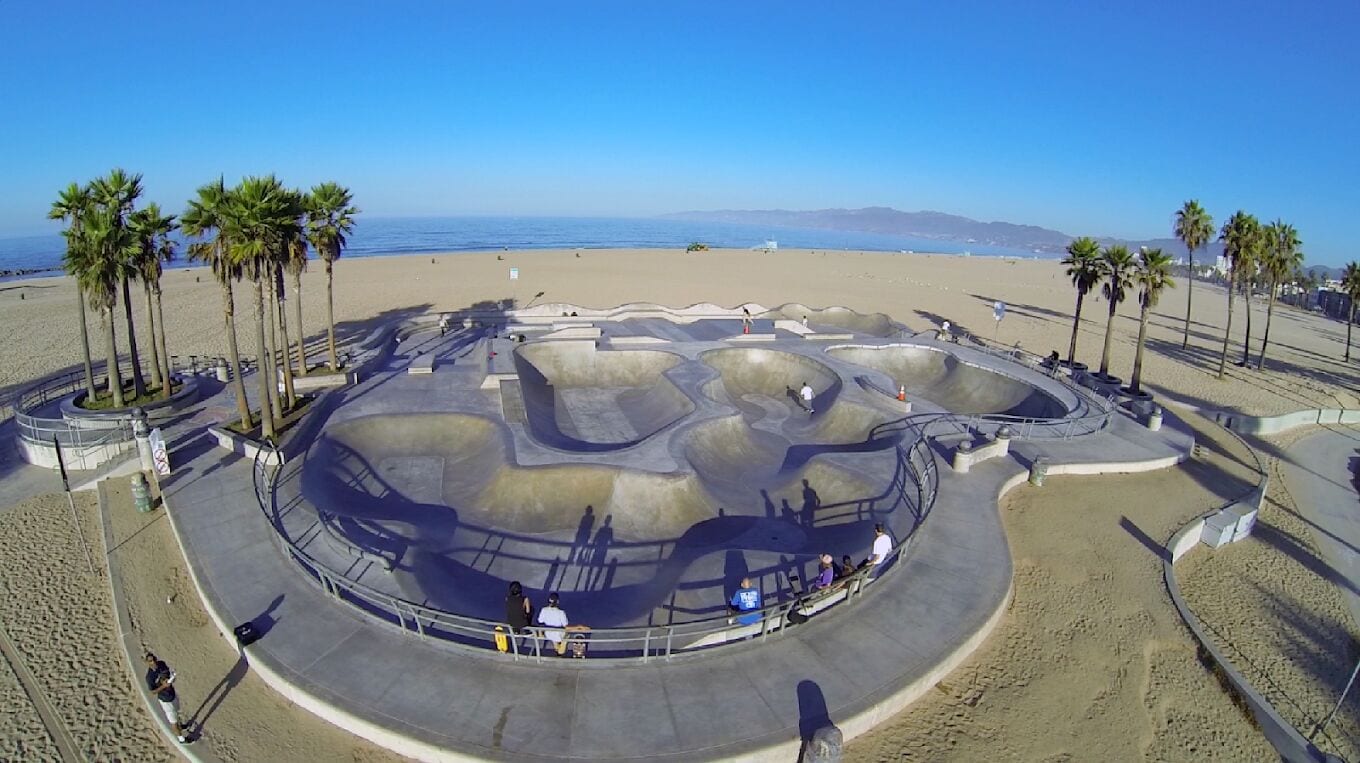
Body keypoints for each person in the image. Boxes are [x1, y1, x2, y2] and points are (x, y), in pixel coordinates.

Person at [144, 651, 192, 743]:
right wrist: (163, 686)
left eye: (154, 660)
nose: (153, 662)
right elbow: (152, 691)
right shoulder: (149, 677)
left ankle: (180, 725)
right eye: (150, 661)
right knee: (173, 721)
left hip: (172, 694)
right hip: (165, 700)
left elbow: (167, 673)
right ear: (147, 663)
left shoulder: (161, 664)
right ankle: (181, 739)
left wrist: (171, 678)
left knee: (177, 712)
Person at [505, 581, 533, 650]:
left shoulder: (507, 598)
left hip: (511, 622)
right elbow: (528, 611)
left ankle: (516, 630)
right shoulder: (525, 599)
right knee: (532, 610)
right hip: (522, 623)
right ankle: (527, 630)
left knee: (515, 612)